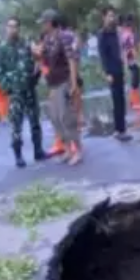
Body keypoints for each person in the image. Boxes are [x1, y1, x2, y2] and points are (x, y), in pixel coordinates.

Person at [0, 16, 46, 168]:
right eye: (10, 26)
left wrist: (35, 78)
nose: (13, 29)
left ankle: (38, 150)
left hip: (29, 88)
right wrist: (8, 88)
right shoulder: (2, 49)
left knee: (35, 122)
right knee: (16, 125)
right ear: (6, 28)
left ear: (19, 28)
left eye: (16, 26)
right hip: (15, 92)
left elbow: (35, 61)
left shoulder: (25, 44)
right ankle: (18, 156)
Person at [36, 9, 82, 166]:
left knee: (66, 117)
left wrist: (74, 83)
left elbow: (72, 59)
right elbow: (44, 61)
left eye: (43, 22)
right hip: (53, 84)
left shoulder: (65, 37)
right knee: (55, 118)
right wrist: (37, 54)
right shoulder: (47, 40)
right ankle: (68, 148)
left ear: (49, 22)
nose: (42, 26)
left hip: (64, 80)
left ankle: (78, 150)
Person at [96, 6, 132, 141]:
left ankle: (122, 128)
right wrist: (107, 73)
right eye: (110, 16)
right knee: (116, 100)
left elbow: (120, 50)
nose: (112, 18)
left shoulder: (115, 32)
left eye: (113, 16)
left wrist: (124, 65)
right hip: (111, 71)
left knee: (121, 100)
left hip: (119, 69)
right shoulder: (102, 34)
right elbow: (103, 55)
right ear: (104, 17)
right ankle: (119, 130)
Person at [120, 13, 140, 114]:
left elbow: (123, 49)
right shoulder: (129, 34)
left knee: (134, 81)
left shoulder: (123, 34)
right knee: (135, 81)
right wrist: (138, 61)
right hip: (132, 60)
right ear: (131, 24)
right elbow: (132, 48)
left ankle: (134, 101)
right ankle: (135, 103)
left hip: (126, 60)